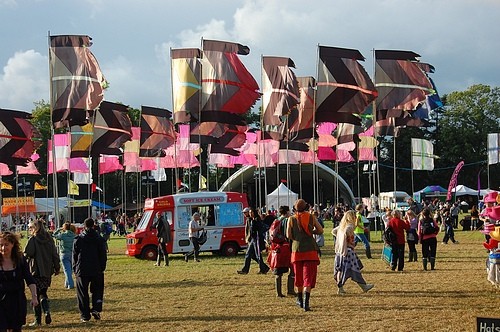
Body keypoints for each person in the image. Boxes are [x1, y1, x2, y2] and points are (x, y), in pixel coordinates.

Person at [287, 199, 323, 311]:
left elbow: (288, 235)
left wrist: (297, 239)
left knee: (298, 276)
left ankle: (299, 300)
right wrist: (312, 232)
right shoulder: (311, 217)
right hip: (310, 250)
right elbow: (320, 230)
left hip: (297, 250)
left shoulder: (291, 219)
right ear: (306, 207)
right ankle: (306, 302)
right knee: (308, 277)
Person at [24, 219, 60, 326]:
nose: (30, 229)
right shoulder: (49, 239)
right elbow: (55, 254)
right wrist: (57, 267)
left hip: (35, 270)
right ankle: (47, 311)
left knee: (35, 295)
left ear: (35, 228)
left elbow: (28, 253)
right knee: (43, 293)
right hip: (47, 270)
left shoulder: (33, 240)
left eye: (31, 227)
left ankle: (37, 320)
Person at [0, 231, 38, 331]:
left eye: (6, 245)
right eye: (1, 245)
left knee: (16, 328)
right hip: (1, 302)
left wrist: (34, 297)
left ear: (13, 244)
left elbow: (30, 279)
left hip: (17, 301)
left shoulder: (20, 260)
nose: (3, 248)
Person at [73, 217, 107, 322]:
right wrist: (102, 267)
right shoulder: (99, 239)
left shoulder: (79, 239)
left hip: (82, 269)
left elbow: (74, 254)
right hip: (96, 268)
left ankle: (84, 315)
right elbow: (103, 254)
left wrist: (75, 268)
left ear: (84, 226)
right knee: (97, 290)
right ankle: (96, 308)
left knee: (82, 293)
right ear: (94, 226)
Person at [333, 210, 374, 295]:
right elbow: (347, 232)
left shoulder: (341, 226)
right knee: (355, 269)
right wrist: (345, 239)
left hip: (340, 252)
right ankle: (363, 286)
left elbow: (333, 231)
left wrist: (340, 239)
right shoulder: (350, 226)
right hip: (348, 252)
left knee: (341, 270)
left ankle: (340, 288)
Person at [266, 206, 292, 298]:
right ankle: (290, 290)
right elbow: (288, 235)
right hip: (284, 247)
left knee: (278, 272)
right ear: (286, 212)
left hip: (275, 248)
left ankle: (279, 292)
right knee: (292, 270)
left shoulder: (275, 221)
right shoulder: (285, 221)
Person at [237, 208, 270, 274]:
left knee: (256, 255)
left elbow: (256, 230)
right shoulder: (251, 220)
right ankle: (261, 268)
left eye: (251, 212)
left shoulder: (256, 220)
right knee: (249, 254)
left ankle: (263, 269)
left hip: (256, 239)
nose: (250, 214)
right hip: (253, 239)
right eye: (249, 212)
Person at [52, 222, 76, 289]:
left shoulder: (62, 235)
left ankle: (70, 284)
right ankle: (66, 283)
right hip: (72, 254)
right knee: (69, 270)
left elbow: (54, 235)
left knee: (66, 270)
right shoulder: (74, 235)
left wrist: (59, 229)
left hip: (64, 253)